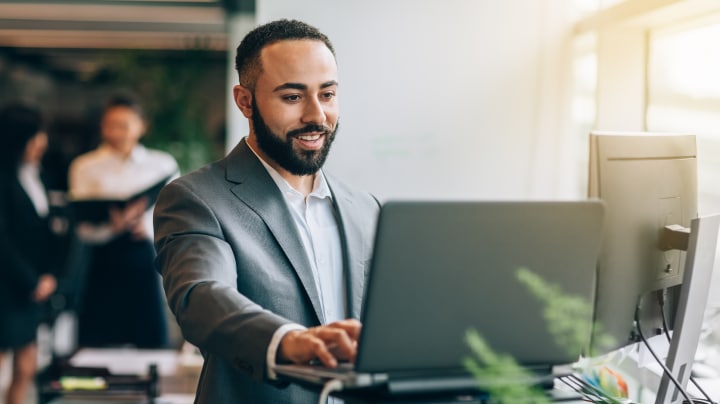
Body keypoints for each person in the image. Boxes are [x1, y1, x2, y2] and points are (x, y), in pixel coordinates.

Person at [153, 19, 380, 403]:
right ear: (245, 100)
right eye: (292, 97)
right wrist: (290, 341)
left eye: (327, 95)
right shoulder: (196, 198)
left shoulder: (366, 209)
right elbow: (202, 296)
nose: (316, 115)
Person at [68, 94, 178, 348]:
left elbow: (175, 216)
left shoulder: (161, 165)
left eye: (124, 125)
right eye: (110, 125)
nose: (116, 132)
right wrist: (112, 225)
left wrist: (147, 227)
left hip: (144, 255)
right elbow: (81, 223)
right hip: (102, 258)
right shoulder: (84, 166)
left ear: (142, 126)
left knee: (150, 339)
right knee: (97, 341)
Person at [0, 103, 60, 404]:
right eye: (36, 136)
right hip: (8, 285)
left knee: (27, 365)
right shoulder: (3, 177)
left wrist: (47, 275)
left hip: (30, 286)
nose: (42, 143)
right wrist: (30, 280)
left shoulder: (35, 175)